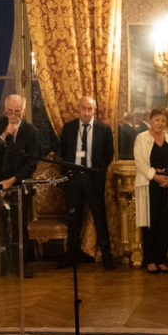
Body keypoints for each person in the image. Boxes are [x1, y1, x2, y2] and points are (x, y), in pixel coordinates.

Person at [58, 96, 116, 269]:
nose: (86, 112)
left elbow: (108, 155)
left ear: (94, 110)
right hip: (74, 179)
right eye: (83, 108)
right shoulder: (68, 129)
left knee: (100, 219)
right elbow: (63, 152)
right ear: (78, 109)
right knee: (74, 220)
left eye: (90, 109)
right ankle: (70, 258)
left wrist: (96, 171)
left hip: (93, 179)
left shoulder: (104, 130)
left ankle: (107, 257)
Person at [0, 95, 41, 275]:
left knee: (19, 227)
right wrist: (4, 135)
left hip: (19, 185)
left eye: (17, 112)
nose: (13, 115)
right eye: (10, 111)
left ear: (23, 111)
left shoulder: (31, 131)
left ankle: (21, 266)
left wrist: (11, 181)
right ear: (5, 109)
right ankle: (1, 265)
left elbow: (31, 163)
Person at [134, 108, 168, 274]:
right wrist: (155, 177)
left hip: (167, 185)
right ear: (150, 119)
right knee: (150, 223)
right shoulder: (142, 138)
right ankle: (150, 260)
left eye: (163, 120)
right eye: (157, 120)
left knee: (165, 223)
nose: (160, 123)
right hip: (150, 185)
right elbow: (140, 162)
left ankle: (161, 260)